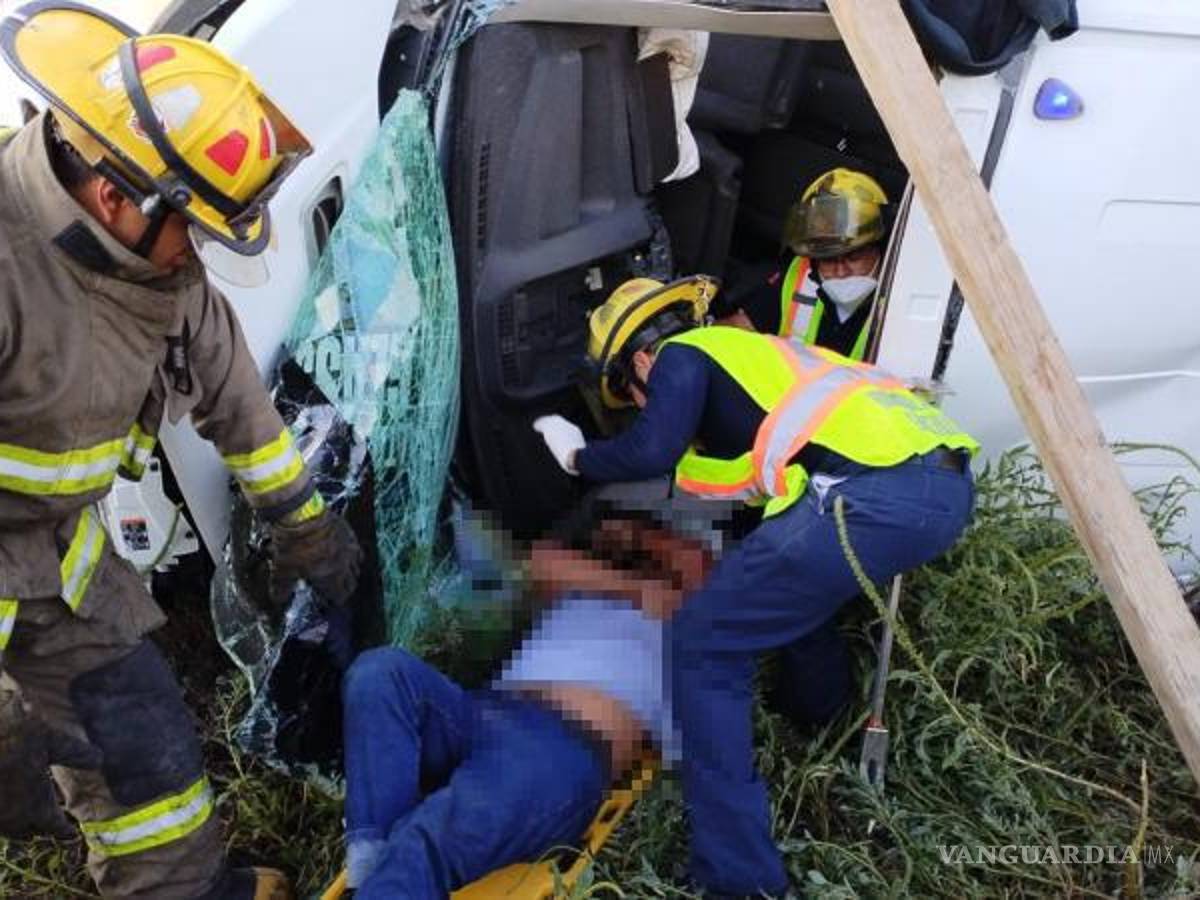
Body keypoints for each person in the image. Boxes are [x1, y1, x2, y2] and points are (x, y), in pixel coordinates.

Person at [0, 6, 361, 898]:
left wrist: (304, 526)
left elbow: (235, 393)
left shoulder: (150, 265)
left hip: (52, 556)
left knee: (140, 743)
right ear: (117, 194)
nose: (196, 255)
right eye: (191, 228)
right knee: (72, 745)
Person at [533, 276, 978, 896]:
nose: (645, 403)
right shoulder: (763, 362)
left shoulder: (685, 354)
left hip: (873, 497)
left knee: (703, 643)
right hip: (944, 487)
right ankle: (821, 722)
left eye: (634, 395)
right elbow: (748, 490)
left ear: (640, 359)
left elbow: (650, 450)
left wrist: (579, 458)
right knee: (789, 594)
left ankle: (742, 880)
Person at [340, 518, 711, 897]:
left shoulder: (690, 638)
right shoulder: (587, 589)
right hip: (482, 713)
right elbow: (542, 560)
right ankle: (370, 868)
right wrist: (634, 570)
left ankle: (380, 880)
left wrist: (663, 574)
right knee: (381, 672)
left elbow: (701, 567)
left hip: (559, 749)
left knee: (427, 838)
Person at [724, 167, 890, 361]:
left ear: (879, 248)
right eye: (828, 259)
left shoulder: (905, 297)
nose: (841, 271)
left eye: (853, 256)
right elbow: (738, 328)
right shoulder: (798, 275)